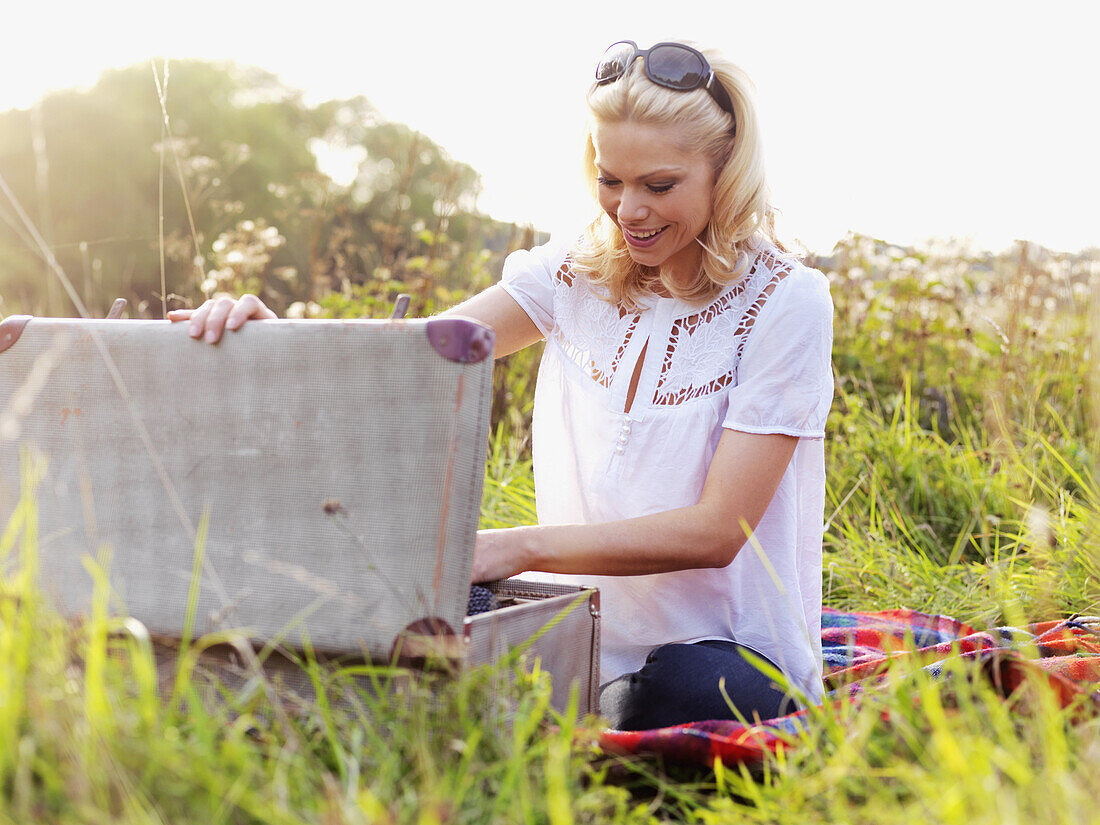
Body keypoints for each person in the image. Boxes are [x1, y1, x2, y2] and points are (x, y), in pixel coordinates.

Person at [170, 40, 834, 731]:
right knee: (396, 607)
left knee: (690, 691)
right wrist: (270, 338)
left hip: (721, 654)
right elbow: (407, 367)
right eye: (611, 180)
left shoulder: (787, 303)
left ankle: (578, 706)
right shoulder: (575, 271)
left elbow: (717, 530)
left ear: (724, 172)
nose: (629, 210)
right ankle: (562, 696)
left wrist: (518, 545)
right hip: (577, 633)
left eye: (659, 186)